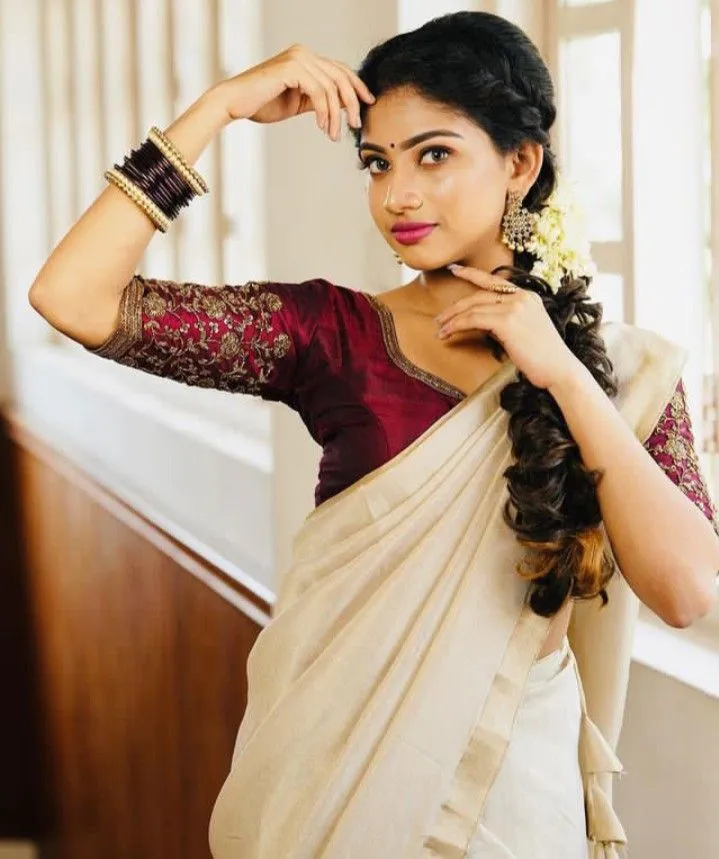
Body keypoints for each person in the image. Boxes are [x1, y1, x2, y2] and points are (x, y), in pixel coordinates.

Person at [28, 11, 719, 859]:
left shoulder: (626, 369)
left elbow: (686, 590)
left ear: (519, 162)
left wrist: (565, 377)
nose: (397, 194)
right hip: (335, 785)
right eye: (375, 161)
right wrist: (214, 109)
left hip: (518, 797)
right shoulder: (331, 333)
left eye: (434, 154)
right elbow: (75, 299)